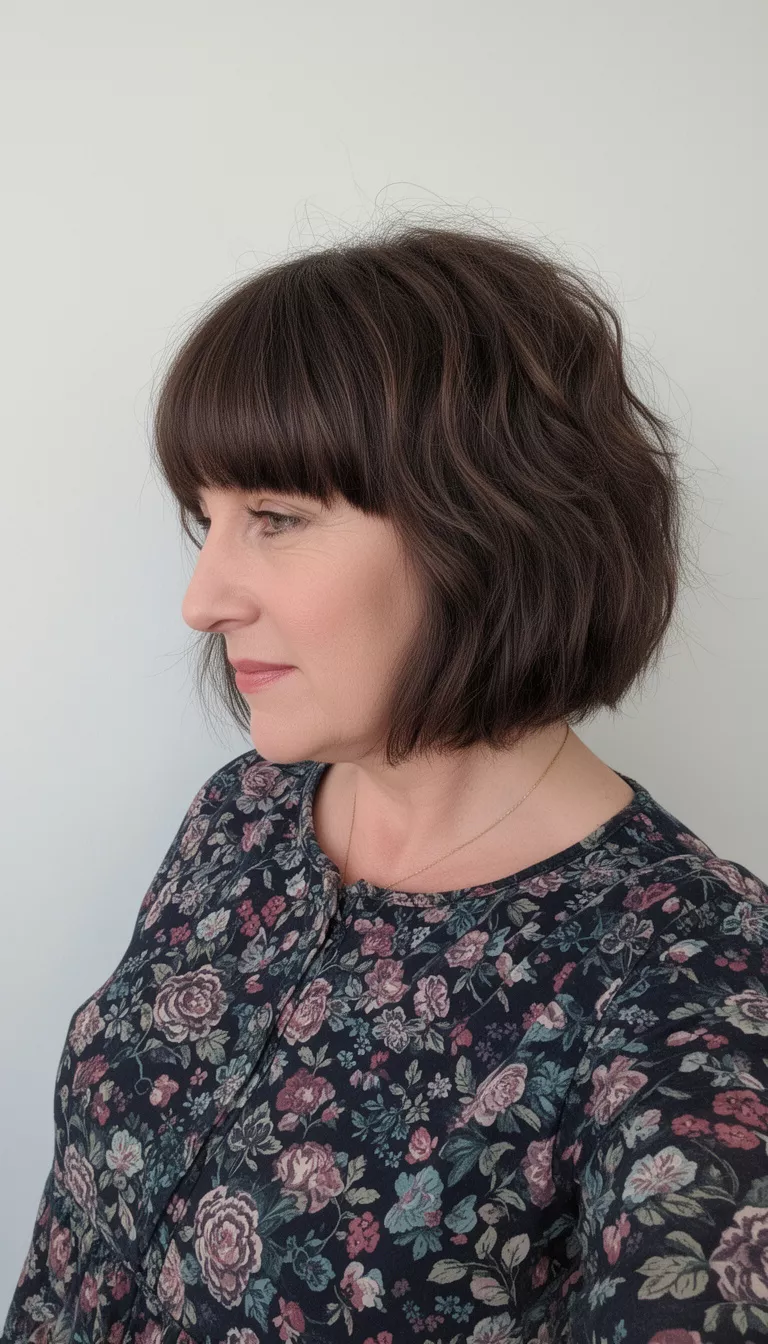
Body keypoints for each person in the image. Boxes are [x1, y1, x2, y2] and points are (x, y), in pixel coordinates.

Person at [3, 220, 767, 1344]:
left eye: (273, 518)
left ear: (492, 527)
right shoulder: (245, 817)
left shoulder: (692, 987)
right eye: (203, 521)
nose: (202, 598)